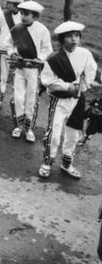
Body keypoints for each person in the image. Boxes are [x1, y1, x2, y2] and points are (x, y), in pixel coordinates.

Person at [38, 21, 97, 179]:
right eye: (69, 36)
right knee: (54, 133)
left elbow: (90, 72)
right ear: (62, 39)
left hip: (77, 100)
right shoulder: (54, 59)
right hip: (59, 100)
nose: (74, 39)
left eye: (77, 36)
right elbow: (47, 80)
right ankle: (47, 162)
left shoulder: (84, 54)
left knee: (73, 135)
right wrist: (66, 87)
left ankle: (67, 163)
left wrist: (81, 86)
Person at [7, 0, 52, 142]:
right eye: (22, 13)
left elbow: (47, 48)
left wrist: (41, 58)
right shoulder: (16, 29)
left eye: (27, 14)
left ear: (35, 16)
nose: (23, 16)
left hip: (34, 70)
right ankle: (18, 126)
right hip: (20, 68)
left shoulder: (42, 30)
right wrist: (13, 54)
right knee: (18, 97)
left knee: (31, 99)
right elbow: (8, 44)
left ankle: (29, 128)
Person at [0, 0, 25, 110]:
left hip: (19, 51)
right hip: (2, 49)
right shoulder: (1, 14)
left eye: (9, 2)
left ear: (16, 4)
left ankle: (17, 101)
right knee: (1, 75)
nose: (6, 4)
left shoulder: (24, 17)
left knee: (19, 76)